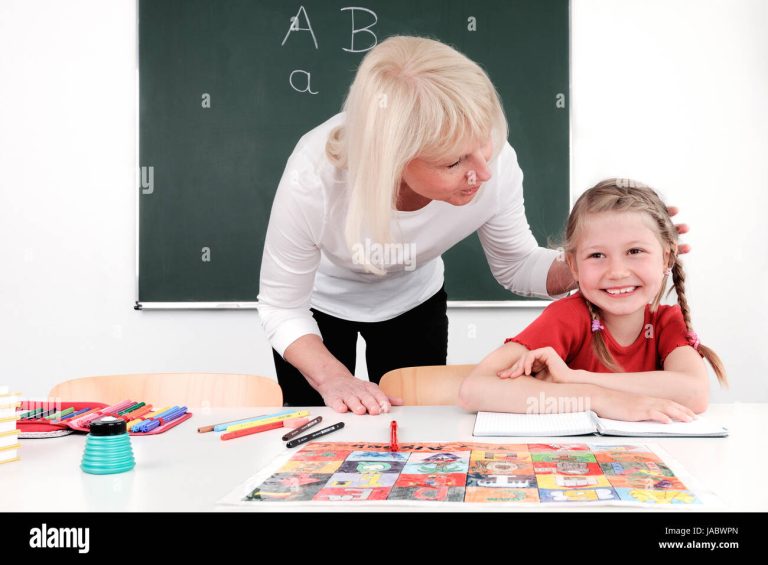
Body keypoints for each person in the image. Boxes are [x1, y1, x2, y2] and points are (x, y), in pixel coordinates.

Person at [257, 35, 578, 414]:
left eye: (485, 144)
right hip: (317, 308)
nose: (484, 173)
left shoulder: (492, 162)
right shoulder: (314, 177)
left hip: (414, 302)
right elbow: (281, 307)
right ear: (393, 158)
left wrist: (591, 261)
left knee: (417, 427)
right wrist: (333, 378)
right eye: (453, 162)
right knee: (319, 427)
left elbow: (517, 265)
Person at [459, 179, 726, 423]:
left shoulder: (666, 321)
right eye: (597, 255)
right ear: (573, 266)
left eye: (635, 251)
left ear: (667, 258)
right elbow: (475, 390)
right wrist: (600, 399)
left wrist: (575, 379)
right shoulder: (568, 317)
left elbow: (695, 392)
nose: (617, 272)